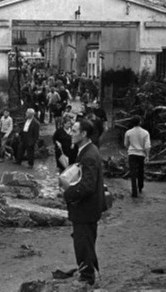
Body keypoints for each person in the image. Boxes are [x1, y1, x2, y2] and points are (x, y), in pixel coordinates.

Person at [59, 119, 107, 286]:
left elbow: (87, 186)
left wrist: (68, 194)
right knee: (85, 241)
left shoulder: (88, 155)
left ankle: (87, 277)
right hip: (88, 208)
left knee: (83, 243)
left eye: (74, 130)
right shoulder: (88, 150)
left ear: (84, 134)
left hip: (85, 208)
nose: (71, 133)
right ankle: (87, 271)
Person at [124, 115, 151, 198]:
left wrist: (130, 147)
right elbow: (147, 146)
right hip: (141, 154)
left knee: (133, 172)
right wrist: (147, 156)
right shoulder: (145, 133)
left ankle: (134, 191)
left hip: (132, 153)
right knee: (141, 171)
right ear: (140, 122)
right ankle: (140, 186)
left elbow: (125, 144)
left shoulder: (128, 132)